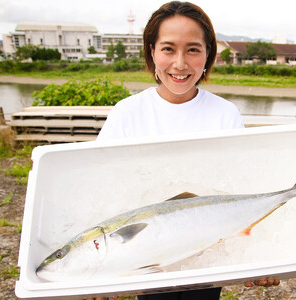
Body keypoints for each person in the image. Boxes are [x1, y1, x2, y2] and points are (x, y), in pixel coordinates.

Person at [96, 1, 280, 299]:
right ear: (151, 51)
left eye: (193, 49)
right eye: (168, 49)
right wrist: (99, 277)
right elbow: (102, 190)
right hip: (148, 253)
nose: (180, 63)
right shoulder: (126, 112)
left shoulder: (224, 113)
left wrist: (259, 257)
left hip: (205, 250)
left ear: (208, 54)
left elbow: (240, 187)